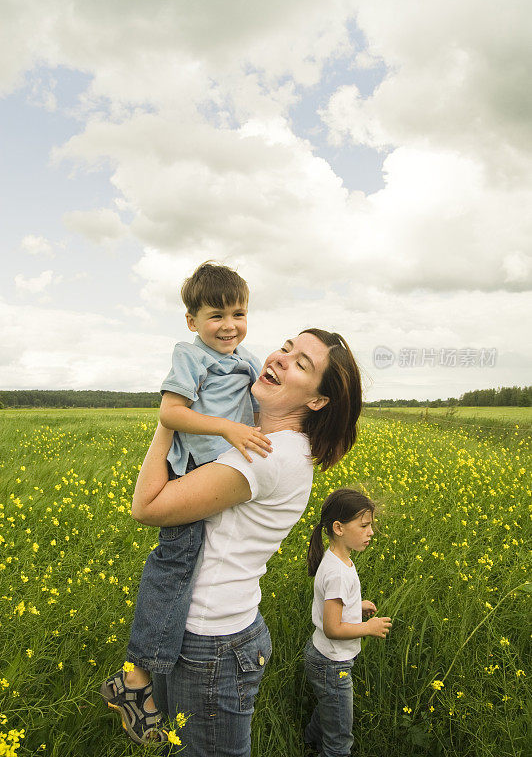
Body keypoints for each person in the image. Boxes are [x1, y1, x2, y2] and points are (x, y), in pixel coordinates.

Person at [124, 328, 363, 756]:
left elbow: (146, 506)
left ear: (317, 401)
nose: (281, 358)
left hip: (211, 642)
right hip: (200, 630)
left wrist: (172, 414)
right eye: (286, 347)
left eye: (301, 363)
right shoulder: (260, 438)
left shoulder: (266, 453)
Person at [100, 262, 272, 745]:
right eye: (215, 315)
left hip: (218, 472)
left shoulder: (246, 356)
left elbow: (263, 404)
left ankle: (153, 678)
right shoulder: (189, 355)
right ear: (191, 321)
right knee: (174, 565)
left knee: (196, 569)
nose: (229, 325)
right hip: (191, 472)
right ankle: (134, 680)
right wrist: (228, 428)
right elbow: (170, 411)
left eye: (238, 313)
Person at [303, 487, 393, 757]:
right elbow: (333, 628)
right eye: (365, 525)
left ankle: (309, 741)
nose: (371, 532)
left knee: (330, 708)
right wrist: (368, 627)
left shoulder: (337, 561)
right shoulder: (338, 573)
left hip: (323, 657)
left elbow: (333, 606)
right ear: (339, 528)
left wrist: (356, 606)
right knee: (340, 737)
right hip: (333, 664)